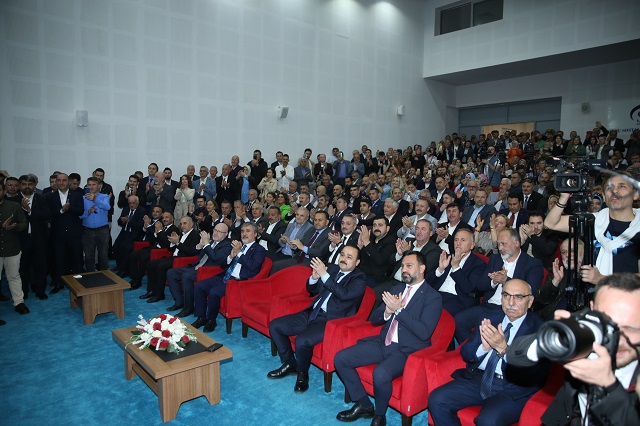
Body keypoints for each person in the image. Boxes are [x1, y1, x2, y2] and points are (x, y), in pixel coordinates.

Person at [334, 252, 442, 426]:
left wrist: (399, 311)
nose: (403, 269)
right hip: (383, 341)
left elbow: (424, 333)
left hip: (406, 350)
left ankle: (380, 415)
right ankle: (364, 404)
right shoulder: (397, 289)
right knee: (341, 358)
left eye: (409, 266)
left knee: (381, 373)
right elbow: (375, 319)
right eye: (402, 266)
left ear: (422, 269)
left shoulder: (432, 297)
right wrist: (387, 312)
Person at [428, 279, 547, 426]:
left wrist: (504, 349)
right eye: (506, 295)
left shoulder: (540, 330)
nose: (511, 302)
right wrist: (483, 348)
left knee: (487, 421)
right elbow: (466, 352)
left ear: (530, 301)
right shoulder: (490, 317)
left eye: (518, 297)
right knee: (437, 399)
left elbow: (534, 375)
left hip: (511, 388)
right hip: (479, 379)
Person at [267, 246, 366, 392]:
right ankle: (289, 363)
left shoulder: (359, 278)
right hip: (313, 312)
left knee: (302, 341)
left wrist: (324, 274)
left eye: (349, 257)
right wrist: (314, 278)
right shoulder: (332, 269)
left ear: (357, 262)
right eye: (342, 254)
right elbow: (312, 290)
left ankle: (303, 375)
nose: (344, 259)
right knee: (275, 325)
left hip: (330, 320)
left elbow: (343, 294)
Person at [454, 228, 544, 343]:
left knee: (486, 328)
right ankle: (474, 350)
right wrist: (494, 281)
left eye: (504, 244)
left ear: (517, 243)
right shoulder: (495, 259)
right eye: (498, 244)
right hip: (489, 305)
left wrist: (506, 280)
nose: (500, 248)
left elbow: (532, 291)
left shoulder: (532, 264)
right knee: (458, 321)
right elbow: (480, 285)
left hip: (510, 309)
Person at [545, 172, 640, 278]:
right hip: (595, 293)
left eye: (622, 186)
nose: (615, 191)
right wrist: (564, 197)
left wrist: (601, 279)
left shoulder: (638, 227)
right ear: (604, 196)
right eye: (609, 188)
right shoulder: (595, 221)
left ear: (635, 194)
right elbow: (550, 223)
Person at [192, 222, 266, 332]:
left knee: (214, 292)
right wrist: (231, 257)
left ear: (255, 234)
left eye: (248, 231)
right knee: (199, 286)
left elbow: (252, 266)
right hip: (226, 275)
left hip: (238, 282)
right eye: (242, 231)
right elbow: (222, 265)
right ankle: (201, 317)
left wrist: (239, 253)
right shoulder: (239, 246)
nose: (244, 234)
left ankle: (211, 320)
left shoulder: (259, 249)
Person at [166, 223, 232, 317]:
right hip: (197, 266)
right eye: (215, 230)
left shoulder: (227, 245)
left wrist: (206, 244)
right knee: (171, 272)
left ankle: (188, 308)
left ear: (226, 234)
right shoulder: (211, 240)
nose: (216, 233)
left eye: (220, 232)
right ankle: (179, 302)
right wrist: (200, 245)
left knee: (187, 276)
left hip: (208, 270)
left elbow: (214, 258)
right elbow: (194, 252)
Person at [427, 228, 487, 316]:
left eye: (463, 240)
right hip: (437, 294)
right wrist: (440, 270)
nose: (458, 243)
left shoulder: (478, 264)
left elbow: (468, 288)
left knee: (433, 312)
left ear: (472, 245)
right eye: (456, 240)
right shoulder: (447, 257)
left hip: (459, 299)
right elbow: (428, 282)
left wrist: (455, 267)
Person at [142, 216, 200, 302]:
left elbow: (191, 252)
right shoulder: (181, 233)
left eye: (185, 223)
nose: (182, 225)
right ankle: (151, 290)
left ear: (191, 224)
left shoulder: (195, 235)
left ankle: (159, 294)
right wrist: (173, 242)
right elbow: (170, 249)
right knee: (151, 264)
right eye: (181, 223)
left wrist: (177, 242)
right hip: (173, 257)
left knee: (161, 266)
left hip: (182, 260)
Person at [45, 172, 84, 293]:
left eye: (64, 180)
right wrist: (62, 210)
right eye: (59, 180)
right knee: (58, 260)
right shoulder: (49, 197)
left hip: (74, 233)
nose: (61, 183)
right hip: (58, 234)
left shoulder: (77, 195)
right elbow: (48, 214)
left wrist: (69, 208)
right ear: (56, 182)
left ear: (68, 182)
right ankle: (58, 283)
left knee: (77, 259)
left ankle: (79, 284)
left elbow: (80, 211)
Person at [17, 174, 51, 300]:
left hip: (39, 238)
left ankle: (40, 290)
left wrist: (30, 210)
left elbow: (47, 214)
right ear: (20, 185)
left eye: (30, 184)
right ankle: (23, 291)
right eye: (24, 184)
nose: (27, 186)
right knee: (23, 267)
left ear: (34, 185)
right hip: (21, 240)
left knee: (41, 266)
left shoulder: (41, 198)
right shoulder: (14, 200)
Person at [0, 182, 30, 316]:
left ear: (3, 190)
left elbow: (24, 223)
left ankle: (19, 302)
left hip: (11, 247)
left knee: (13, 276)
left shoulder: (14, 206)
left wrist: (15, 226)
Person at [130, 211, 178, 291]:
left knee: (144, 257)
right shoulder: (162, 226)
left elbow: (167, 243)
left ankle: (138, 280)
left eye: (167, 217)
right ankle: (134, 277)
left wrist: (159, 231)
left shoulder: (174, 229)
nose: (164, 219)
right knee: (134, 254)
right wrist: (156, 233)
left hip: (162, 250)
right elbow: (153, 239)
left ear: (172, 219)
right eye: (163, 218)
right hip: (154, 247)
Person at [80, 177, 111, 272]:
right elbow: (78, 216)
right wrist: (87, 212)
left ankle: (106, 277)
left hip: (102, 230)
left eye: (94, 184)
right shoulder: (83, 198)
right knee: (89, 256)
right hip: (87, 231)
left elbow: (107, 207)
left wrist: (95, 199)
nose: (92, 187)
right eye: (89, 184)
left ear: (99, 186)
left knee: (103, 255)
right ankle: (90, 277)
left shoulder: (104, 197)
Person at [112, 195, 146, 277]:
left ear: (137, 203)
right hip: (125, 232)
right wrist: (122, 220)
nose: (131, 205)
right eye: (130, 203)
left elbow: (140, 226)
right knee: (115, 247)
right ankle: (120, 266)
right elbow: (119, 222)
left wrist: (129, 221)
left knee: (126, 248)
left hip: (135, 235)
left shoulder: (142, 211)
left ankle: (125, 269)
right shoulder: (126, 209)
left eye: (133, 203)